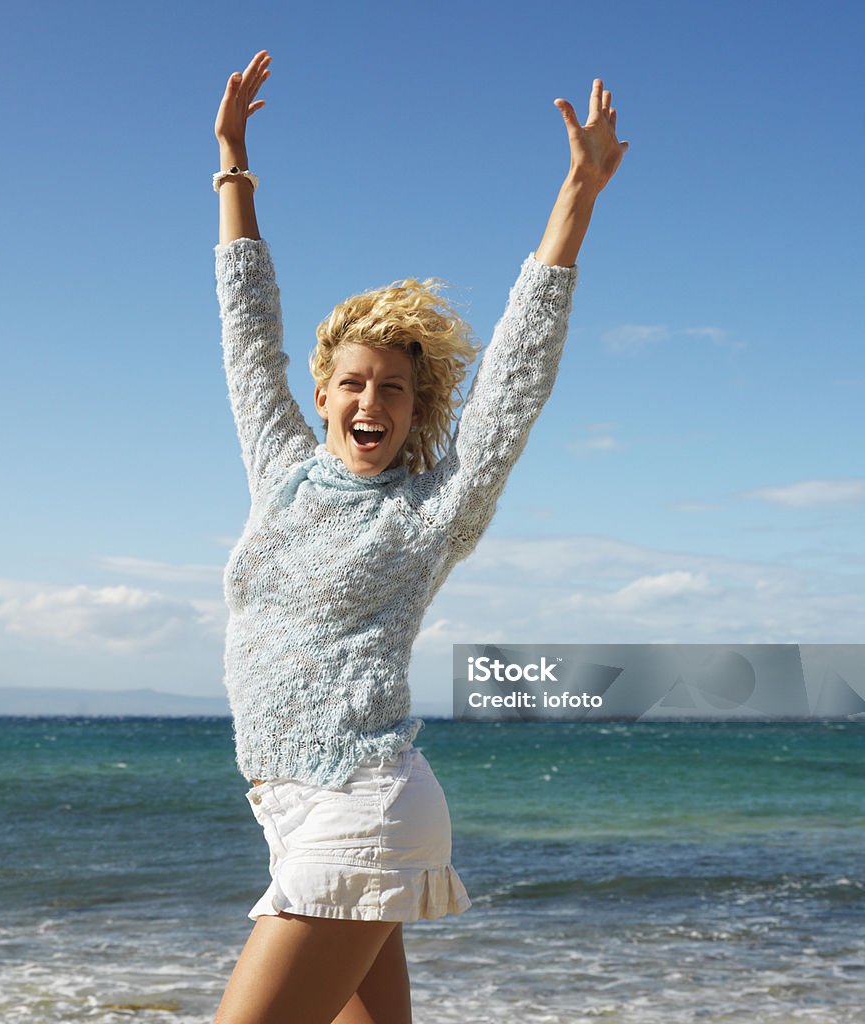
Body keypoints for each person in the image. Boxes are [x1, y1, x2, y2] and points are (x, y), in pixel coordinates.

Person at [211, 48, 627, 1024]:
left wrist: (577, 196)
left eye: (393, 388)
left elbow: (514, 381)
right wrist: (232, 162)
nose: (371, 401)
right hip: (289, 808)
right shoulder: (280, 467)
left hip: (361, 804)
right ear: (320, 396)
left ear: (414, 407)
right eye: (353, 383)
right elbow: (245, 325)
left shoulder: (434, 505)